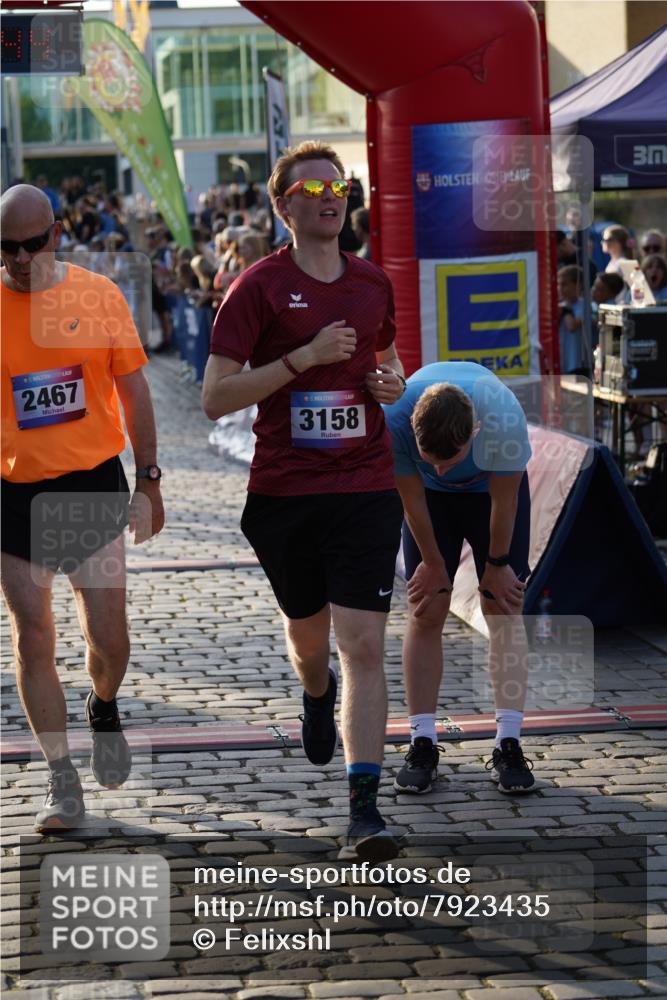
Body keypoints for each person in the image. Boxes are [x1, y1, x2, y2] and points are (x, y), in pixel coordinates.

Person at [202, 141, 406, 861]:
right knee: (310, 640)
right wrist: (301, 359)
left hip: (364, 486)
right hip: (285, 493)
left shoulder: (372, 283)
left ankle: (364, 810)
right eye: (313, 185)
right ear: (281, 203)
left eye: (339, 184)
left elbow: (387, 363)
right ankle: (313, 697)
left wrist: (390, 386)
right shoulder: (256, 287)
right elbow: (213, 397)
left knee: (362, 645)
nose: (330, 194)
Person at [0, 184, 165, 833]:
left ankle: (103, 702)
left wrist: (149, 478)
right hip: (13, 491)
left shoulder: (97, 296)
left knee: (109, 637)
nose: (17, 258)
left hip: (90, 482)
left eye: (30, 244)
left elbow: (135, 390)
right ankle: (61, 778)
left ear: (58, 235)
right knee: (32, 633)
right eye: (5, 247)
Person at [383, 363, 535, 796]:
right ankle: (422, 740)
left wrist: (498, 563)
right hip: (430, 503)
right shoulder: (395, 418)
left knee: (502, 608)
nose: (444, 471)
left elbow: (505, 502)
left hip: (488, 494)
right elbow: (411, 499)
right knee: (427, 608)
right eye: (433, 462)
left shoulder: (503, 417)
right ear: (413, 433)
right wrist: (433, 563)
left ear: (476, 431)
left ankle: (509, 742)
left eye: (450, 461)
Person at [557, 265, 587, 375]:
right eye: (558, 284)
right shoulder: (558, 307)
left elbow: (572, 326)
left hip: (578, 363)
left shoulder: (586, 305)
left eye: (564, 284)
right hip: (563, 363)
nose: (560, 288)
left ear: (578, 285)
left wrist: (566, 309)